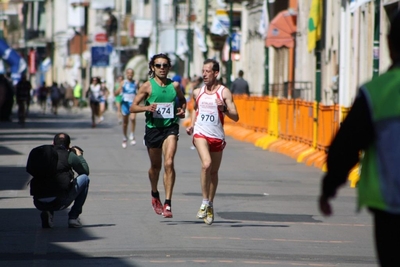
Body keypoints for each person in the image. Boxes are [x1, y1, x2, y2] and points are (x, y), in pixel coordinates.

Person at [318, 11, 400, 267]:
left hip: (390, 208)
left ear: (389, 45)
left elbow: (346, 146)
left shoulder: (377, 93)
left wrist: (329, 187)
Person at [130, 53, 186, 218]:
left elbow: (183, 100)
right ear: (152, 68)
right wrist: (146, 108)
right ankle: (155, 194)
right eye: (158, 65)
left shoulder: (174, 86)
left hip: (170, 128)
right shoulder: (147, 86)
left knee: (169, 162)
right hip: (153, 129)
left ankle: (168, 203)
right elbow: (133, 107)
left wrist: (182, 110)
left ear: (169, 68)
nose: (162, 68)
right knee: (156, 167)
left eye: (165, 65)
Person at [186, 59, 239, 225]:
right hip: (201, 134)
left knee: (214, 173)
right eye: (203, 71)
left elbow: (236, 116)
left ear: (216, 73)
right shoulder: (197, 92)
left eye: (207, 71)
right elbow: (196, 109)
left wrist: (223, 108)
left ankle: (210, 204)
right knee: (206, 164)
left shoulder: (224, 93)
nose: (204, 74)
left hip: (217, 136)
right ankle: (204, 202)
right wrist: (192, 125)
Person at [32, 133, 90, 228]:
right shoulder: (69, 155)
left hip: (38, 202)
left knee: (48, 181)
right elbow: (85, 171)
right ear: (68, 145)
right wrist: (79, 156)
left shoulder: (42, 154)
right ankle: (73, 218)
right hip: (59, 202)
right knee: (85, 178)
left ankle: (48, 213)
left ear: (53, 143)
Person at [114, 69, 137, 148]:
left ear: (133, 74)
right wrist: (120, 88)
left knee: (133, 118)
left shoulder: (135, 83)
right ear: (126, 74)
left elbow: (141, 92)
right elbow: (115, 93)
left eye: (131, 73)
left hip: (133, 103)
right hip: (125, 104)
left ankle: (132, 134)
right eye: (128, 73)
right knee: (125, 123)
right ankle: (124, 137)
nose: (130, 75)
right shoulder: (123, 82)